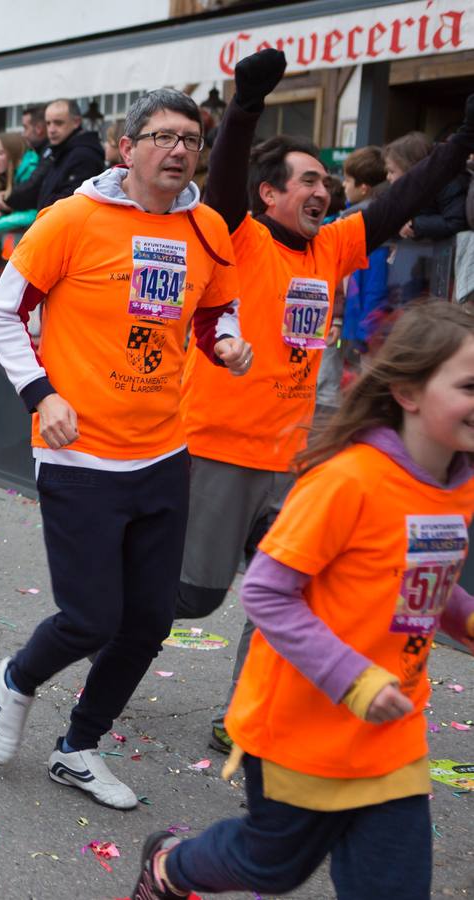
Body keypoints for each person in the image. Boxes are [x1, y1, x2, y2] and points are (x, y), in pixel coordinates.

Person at [175, 51, 474, 752]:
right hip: (218, 447)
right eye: (307, 181)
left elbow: (400, 200)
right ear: (269, 195)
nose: (323, 192)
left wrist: (462, 144)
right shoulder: (239, 239)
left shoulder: (331, 249)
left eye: (326, 182)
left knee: (294, 590)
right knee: (194, 597)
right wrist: (244, 109)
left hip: (296, 455)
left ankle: (240, 715)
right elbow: (222, 182)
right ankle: (115, 628)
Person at [132, 301, 474, 900]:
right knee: (273, 867)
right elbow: (266, 592)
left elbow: (417, 576)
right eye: (470, 385)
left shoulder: (459, 484)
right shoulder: (348, 480)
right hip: (301, 726)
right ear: (409, 392)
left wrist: (465, 616)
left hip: (391, 732)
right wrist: (354, 679)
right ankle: (167, 867)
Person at [0, 87, 252, 809]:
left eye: (190, 138)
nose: (177, 149)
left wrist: (223, 339)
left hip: (164, 453)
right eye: (161, 136)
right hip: (80, 454)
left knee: (148, 623)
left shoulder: (207, 227)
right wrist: (42, 395)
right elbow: (3, 312)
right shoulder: (72, 218)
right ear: (127, 149)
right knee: (91, 618)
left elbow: (213, 304)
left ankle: (79, 747)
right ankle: (18, 679)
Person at [339, 147, 390, 371]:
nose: (343, 185)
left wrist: (364, 334)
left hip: (369, 332)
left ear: (363, 188)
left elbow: (373, 289)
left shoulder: (365, 225)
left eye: (348, 180)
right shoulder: (358, 217)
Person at [383, 131, 471, 241]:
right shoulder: (407, 190)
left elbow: (455, 222)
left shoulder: (448, 182)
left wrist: (415, 224)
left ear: (411, 169)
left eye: (392, 171)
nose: (388, 177)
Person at [35, 99, 106, 210]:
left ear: (76, 122)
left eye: (58, 123)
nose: (51, 129)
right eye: (48, 123)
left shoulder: (84, 155)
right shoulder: (60, 150)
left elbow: (71, 201)